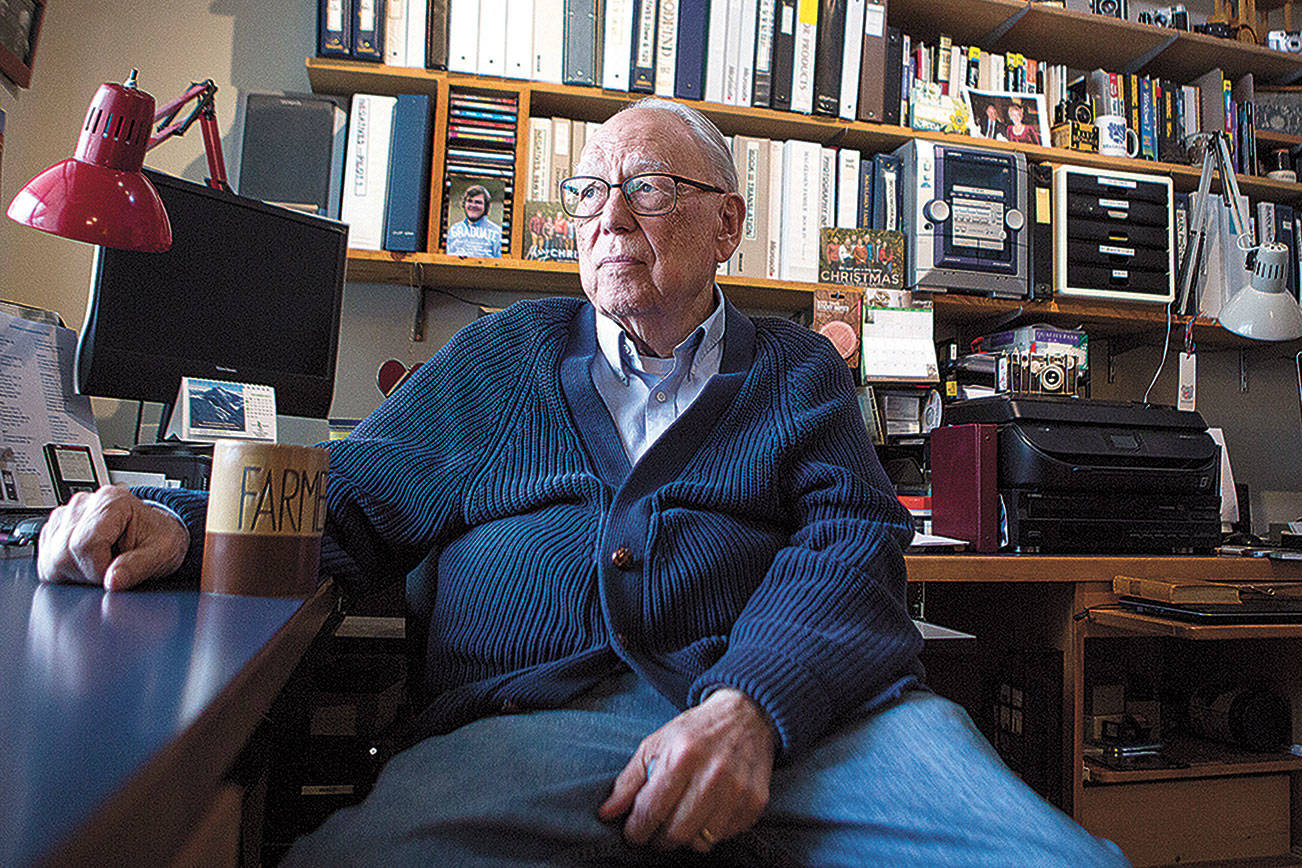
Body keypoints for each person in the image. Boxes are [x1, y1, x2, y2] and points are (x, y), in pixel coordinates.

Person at [37, 97, 1128, 867]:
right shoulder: (506, 356)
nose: (606, 214)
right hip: (525, 725)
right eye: (589, 190)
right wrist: (174, 523)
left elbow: (853, 543)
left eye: (647, 188)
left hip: (814, 725)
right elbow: (354, 490)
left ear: (727, 224)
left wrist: (752, 706)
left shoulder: (797, 370)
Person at [446, 184, 503, 257]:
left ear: (486, 206)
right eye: (470, 201)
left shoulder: (497, 233)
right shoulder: (454, 230)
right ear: (464, 204)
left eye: (478, 202)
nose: (473, 205)